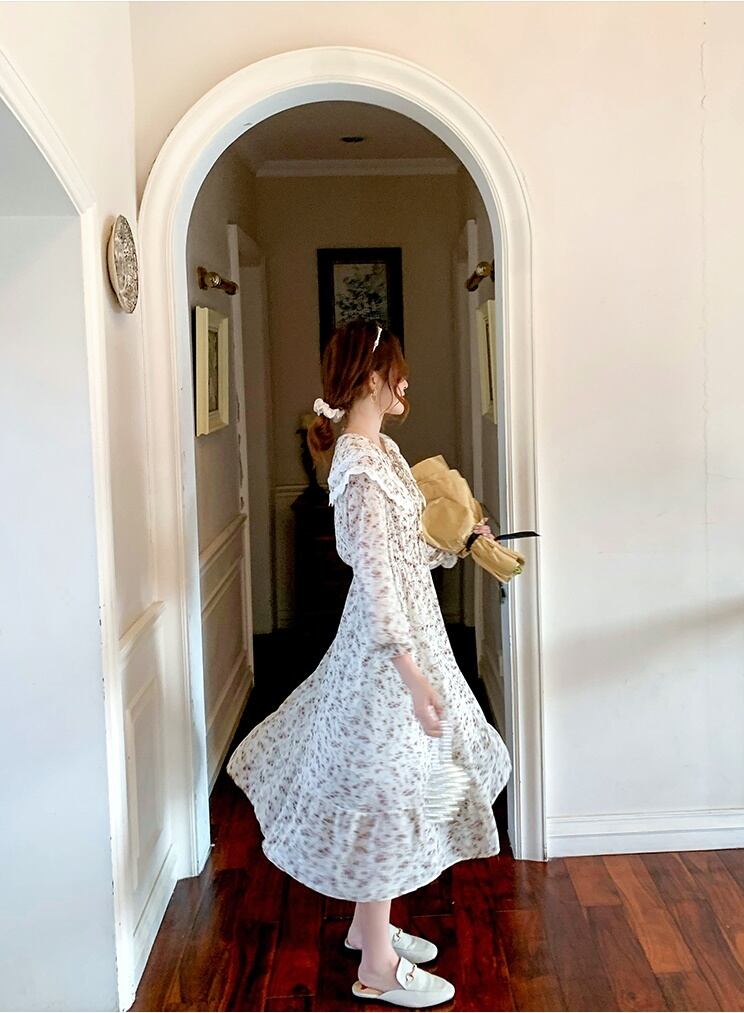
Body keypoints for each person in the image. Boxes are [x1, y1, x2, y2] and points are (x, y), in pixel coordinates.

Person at [227, 318, 512, 1008]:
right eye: (398, 373)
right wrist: (411, 675)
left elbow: (407, 552)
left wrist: (460, 542)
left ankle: (366, 928)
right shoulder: (356, 467)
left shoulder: (383, 448)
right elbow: (377, 576)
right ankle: (378, 967)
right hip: (389, 649)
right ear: (372, 377)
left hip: (413, 633)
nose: (406, 384)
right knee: (388, 785)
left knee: (398, 780)